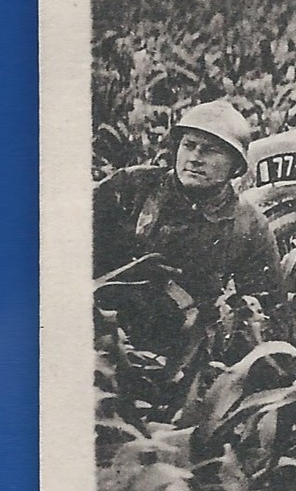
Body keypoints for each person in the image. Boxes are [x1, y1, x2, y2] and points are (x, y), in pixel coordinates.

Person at [94, 99, 284, 352]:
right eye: (189, 146)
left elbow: (267, 310)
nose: (195, 158)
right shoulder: (131, 187)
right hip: (107, 339)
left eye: (210, 150)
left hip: (187, 354)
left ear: (235, 166)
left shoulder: (248, 226)